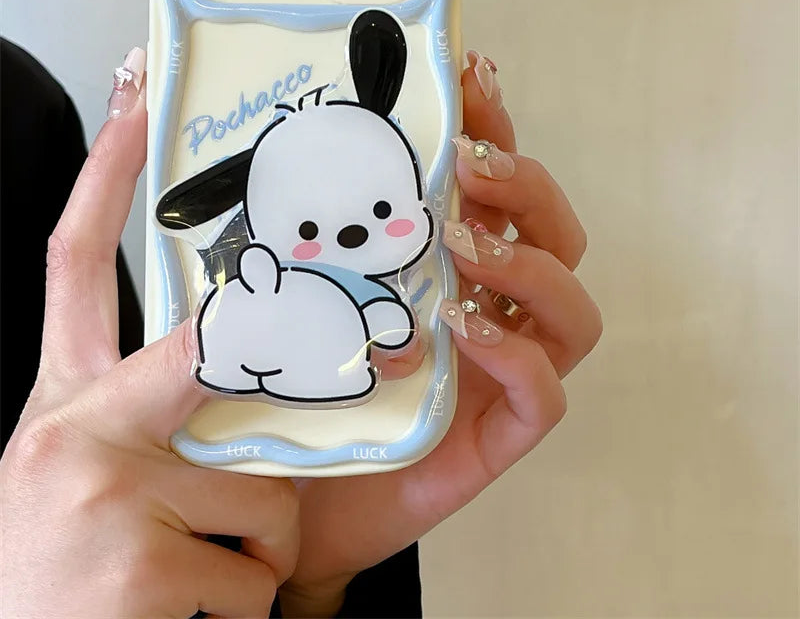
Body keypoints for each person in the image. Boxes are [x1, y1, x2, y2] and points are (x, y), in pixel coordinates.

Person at [0, 38, 601, 618]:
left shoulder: (18, 110)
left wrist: (308, 586)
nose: (351, 234)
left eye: (383, 211)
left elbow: (128, 496)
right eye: (307, 232)